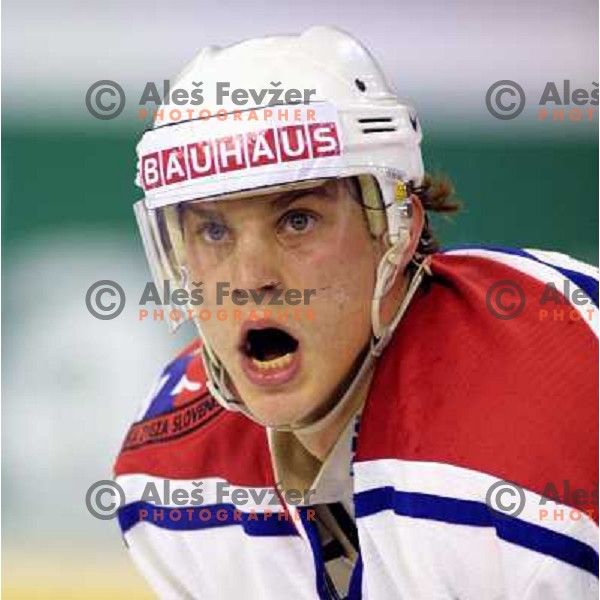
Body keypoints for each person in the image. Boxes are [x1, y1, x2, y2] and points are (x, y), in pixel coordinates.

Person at [114, 26, 598, 599]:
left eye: (297, 220)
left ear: (397, 231)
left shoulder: (555, 413)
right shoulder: (174, 473)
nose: (248, 281)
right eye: (213, 230)